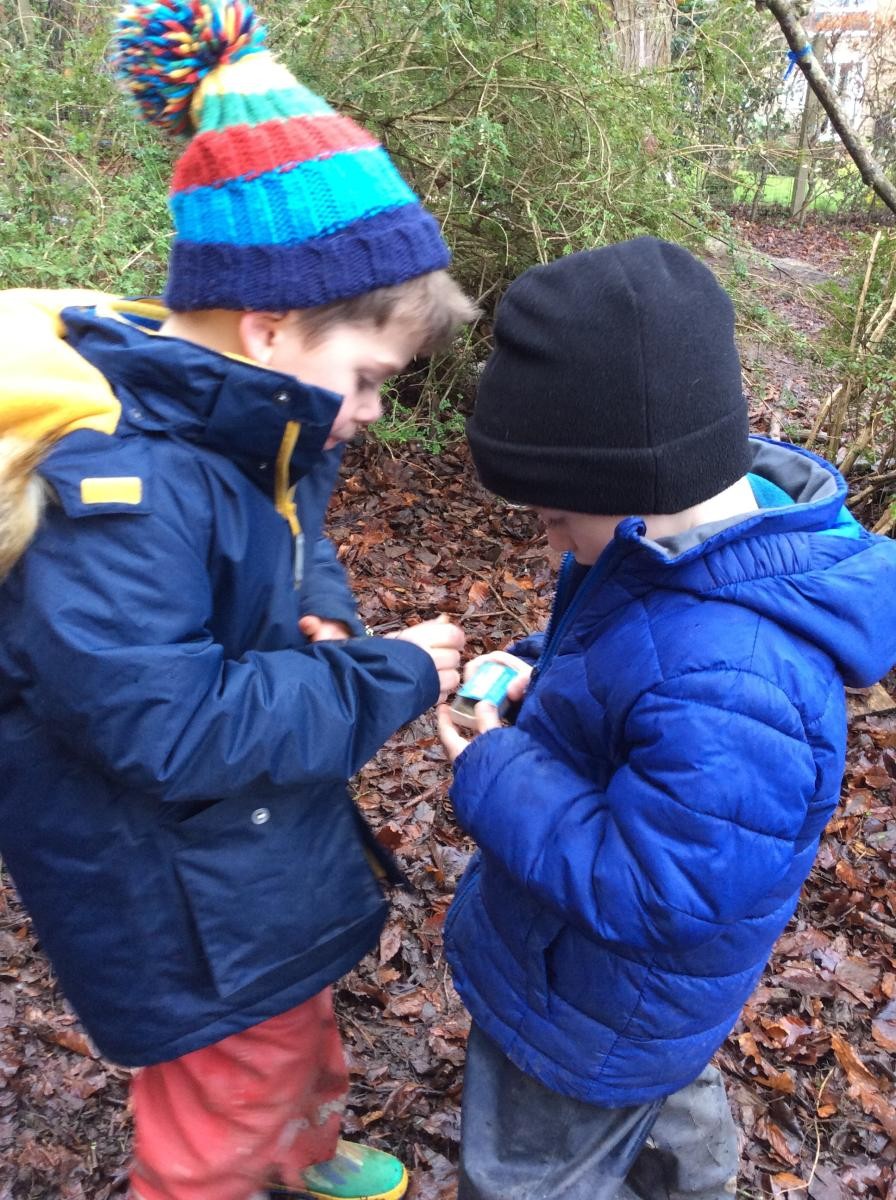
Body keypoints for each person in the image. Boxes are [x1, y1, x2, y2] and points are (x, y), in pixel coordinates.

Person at [0, 2, 476, 1198]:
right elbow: (165, 723)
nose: (369, 413)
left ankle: (300, 1153)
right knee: (223, 1093)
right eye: (367, 379)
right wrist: (383, 675)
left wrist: (327, 614)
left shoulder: (250, 433)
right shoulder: (123, 490)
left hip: (238, 857)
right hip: (166, 889)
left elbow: (291, 533)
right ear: (269, 328)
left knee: (290, 1025)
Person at [437, 237, 896, 1200]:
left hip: (585, 1009)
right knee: (664, 1102)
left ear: (631, 485)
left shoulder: (739, 680)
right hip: (626, 1001)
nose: (548, 543)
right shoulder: (670, 551)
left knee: (529, 1173)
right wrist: (531, 672)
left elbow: (661, 892)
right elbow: (625, 657)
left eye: (555, 518)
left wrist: (493, 766)